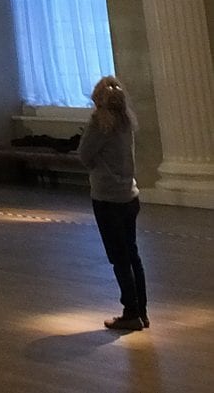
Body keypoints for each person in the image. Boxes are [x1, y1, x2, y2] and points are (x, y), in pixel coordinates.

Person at [78, 75, 149, 333]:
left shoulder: (99, 123)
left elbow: (84, 155)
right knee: (132, 254)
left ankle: (130, 312)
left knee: (118, 257)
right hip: (129, 195)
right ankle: (141, 311)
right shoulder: (127, 121)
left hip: (107, 197)